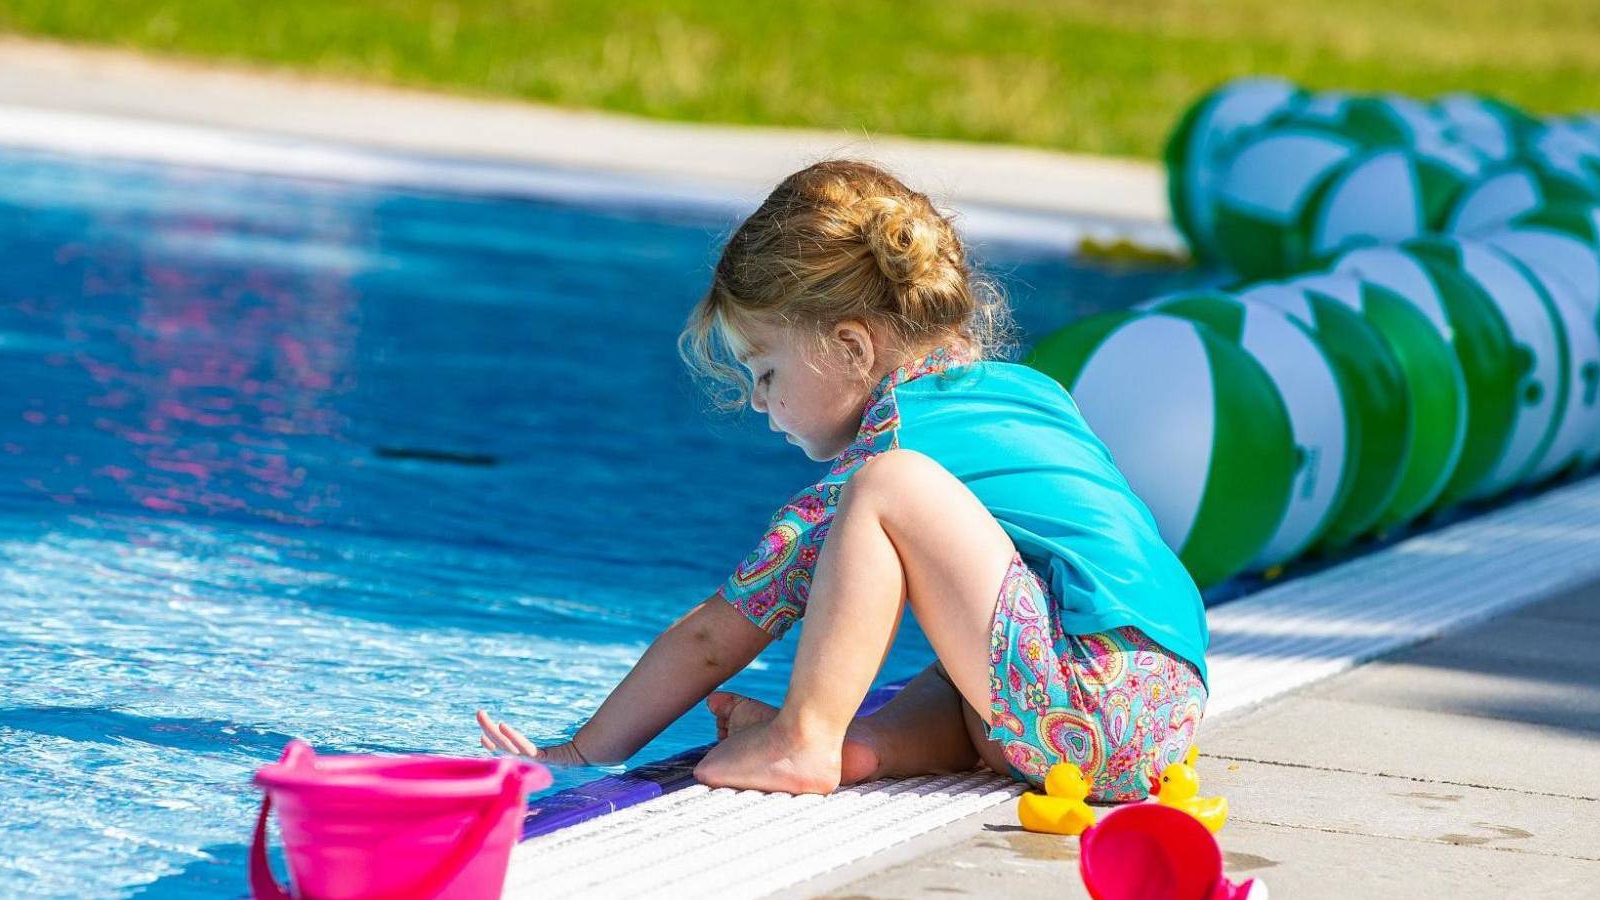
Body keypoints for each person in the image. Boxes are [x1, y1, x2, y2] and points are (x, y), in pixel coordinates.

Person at [479, 160, 1208, 801]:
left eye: (766, 373)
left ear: (852, 347)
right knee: (959, 678)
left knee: (889, 487)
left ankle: (805, 739)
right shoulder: (1025, 391)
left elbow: (714, 633)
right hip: (1160, 706)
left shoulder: (892, 444)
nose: (761, 403)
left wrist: (578, 753)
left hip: (1092, 703)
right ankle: (863, 747)